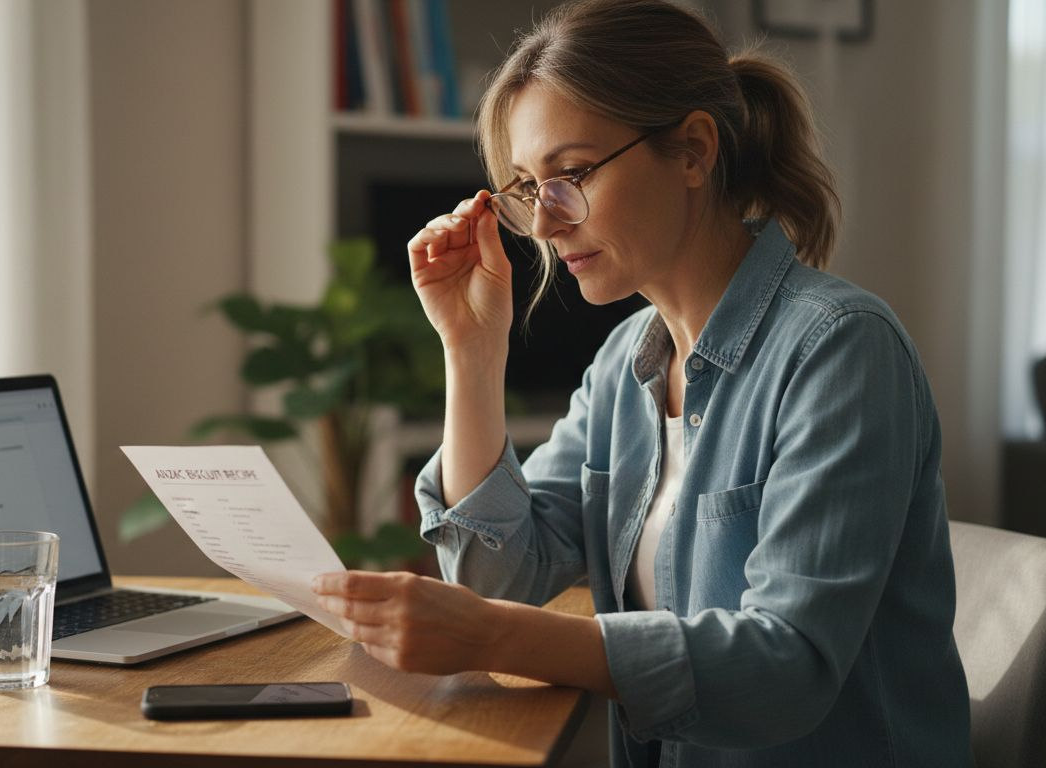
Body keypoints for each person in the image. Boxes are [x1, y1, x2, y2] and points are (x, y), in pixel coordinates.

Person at [310, 0, 973, 765]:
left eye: (572, 175)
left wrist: (494, 636)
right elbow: (500, 574)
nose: (549, 224)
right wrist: (472, 351)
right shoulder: (626, 364)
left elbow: (787, 668)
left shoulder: (841, 351)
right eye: (529, 187)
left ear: (692, 151)